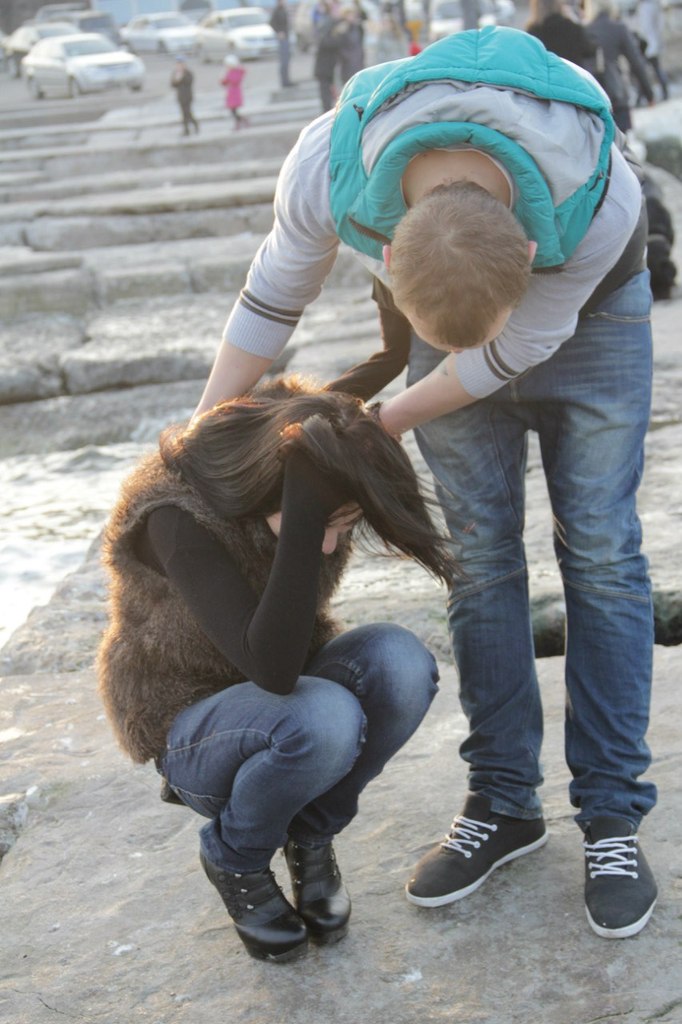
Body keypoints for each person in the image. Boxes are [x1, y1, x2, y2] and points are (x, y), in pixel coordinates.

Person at [192, 27, 659, 941]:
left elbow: (510, 351)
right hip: (457, 313)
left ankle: (611, 816)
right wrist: (201, 436)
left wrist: (361, 440)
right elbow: (273, 299)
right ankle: (503, 801)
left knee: (600, 551)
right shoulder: (331, 159)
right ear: (391, 262)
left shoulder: (599, 203)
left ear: (529, 252)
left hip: (597, 320)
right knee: (479, 561)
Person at [97, 375, 456, 963]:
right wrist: (306, 514)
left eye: (343, 528)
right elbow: (274, 669)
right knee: (322, 715)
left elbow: (321, 415)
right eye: (327, 525)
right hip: (194, 733)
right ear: (274, 487)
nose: (331, 544)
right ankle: (235, 856)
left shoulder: (305, 489)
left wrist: (314, 510)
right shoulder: (173, 518)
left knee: (402, 661)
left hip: (289, 709)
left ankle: (311, 834)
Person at [586, 0, 654, 132]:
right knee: (624, 144)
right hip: (617, 93)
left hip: (595, 96)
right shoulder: (618, 28)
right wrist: (649, 93)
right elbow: (637, 63)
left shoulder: (585, 31)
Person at [526, 0, 598, 70]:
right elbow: (589, 51)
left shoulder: (533, 31)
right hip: (570, 75)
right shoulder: (572, 28)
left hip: (545, 77)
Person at [637, 0, 669, 101]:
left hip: (650, 45)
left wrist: (654, 44)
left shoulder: (652, 5)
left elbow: (654, 27)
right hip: (646, 44)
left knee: (651, 70)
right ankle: (643, 96)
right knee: (644, 71)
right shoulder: (644, 6)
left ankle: (663, 93)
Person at [170, 57, 199, 137]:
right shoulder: (175, 73)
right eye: (178, 65)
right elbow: (173, 85)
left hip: (188, 96)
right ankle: (186, 130)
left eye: (181, 65)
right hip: (180, 97)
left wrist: (181, 77)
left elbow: (189, 81)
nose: (179, 67)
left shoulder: (188, 73)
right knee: (183, 114)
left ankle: (195, 124)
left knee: (188, 113)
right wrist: (176, 79)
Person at [270, 0, 294, 87]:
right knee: (284, 60)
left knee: (287, 59)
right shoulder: (277, 10)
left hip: (287, 36)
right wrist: (278, 32)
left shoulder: (284, 9)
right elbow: (272, 23)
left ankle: (287, 79)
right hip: (282, 38)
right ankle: (284, 81)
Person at [220, 54, 248, 130]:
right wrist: (222, 80)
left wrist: (226, 79)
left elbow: (235, 80)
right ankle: (242, 120)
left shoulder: (236, 72)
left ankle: (239, 122)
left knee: (233, 110)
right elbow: (225, 82)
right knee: (233, 110)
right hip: (230, 92)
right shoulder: (229, 72)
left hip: (235, 92)